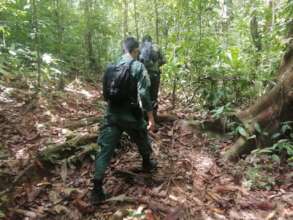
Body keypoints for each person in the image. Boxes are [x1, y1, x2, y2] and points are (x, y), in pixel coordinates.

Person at [91, 37, 157, 205]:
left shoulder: (111, 67)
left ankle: (96, 189)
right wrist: (150, 118)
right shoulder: (137, 66)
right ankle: (147, 163)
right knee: (142, 136)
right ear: (135, 50)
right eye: (138, 51)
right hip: (131, 116)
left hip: (112, 115)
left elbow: (105, 94)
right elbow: (143, 94)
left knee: (105, 150)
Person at [139, 35, 166, 120]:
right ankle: (153, 117)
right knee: (153, 97)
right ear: (151, 40)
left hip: (143, 75)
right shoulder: (157, 47)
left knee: (143, 95)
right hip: (155, 75)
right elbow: (164, 60)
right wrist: (157, 64)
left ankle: (143, 118)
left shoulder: (140, 47)